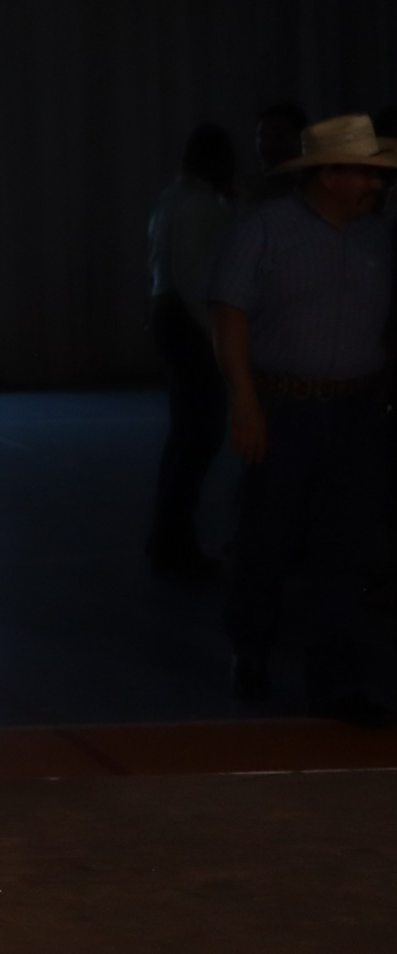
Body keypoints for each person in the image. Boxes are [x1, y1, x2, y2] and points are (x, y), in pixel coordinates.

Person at [211, 113, 394, 726]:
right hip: (284, 405)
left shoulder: (375, 239)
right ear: (328, 175)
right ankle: (252, 648)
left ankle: (336, 681)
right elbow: (229, 315)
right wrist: (245, 401)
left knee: (346, 547)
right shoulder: (265, 230)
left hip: (355, 410)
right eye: (366, 174)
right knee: (268, 536)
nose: (376, 185)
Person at [146, 124, 237, 580]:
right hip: (188, 324)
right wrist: (222, 342)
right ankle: (173, 545)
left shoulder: (170, 201)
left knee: (185, 437)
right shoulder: (201, 207)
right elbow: (198, 284)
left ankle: (167, 541)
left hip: (168, 317)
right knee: (199, 438)